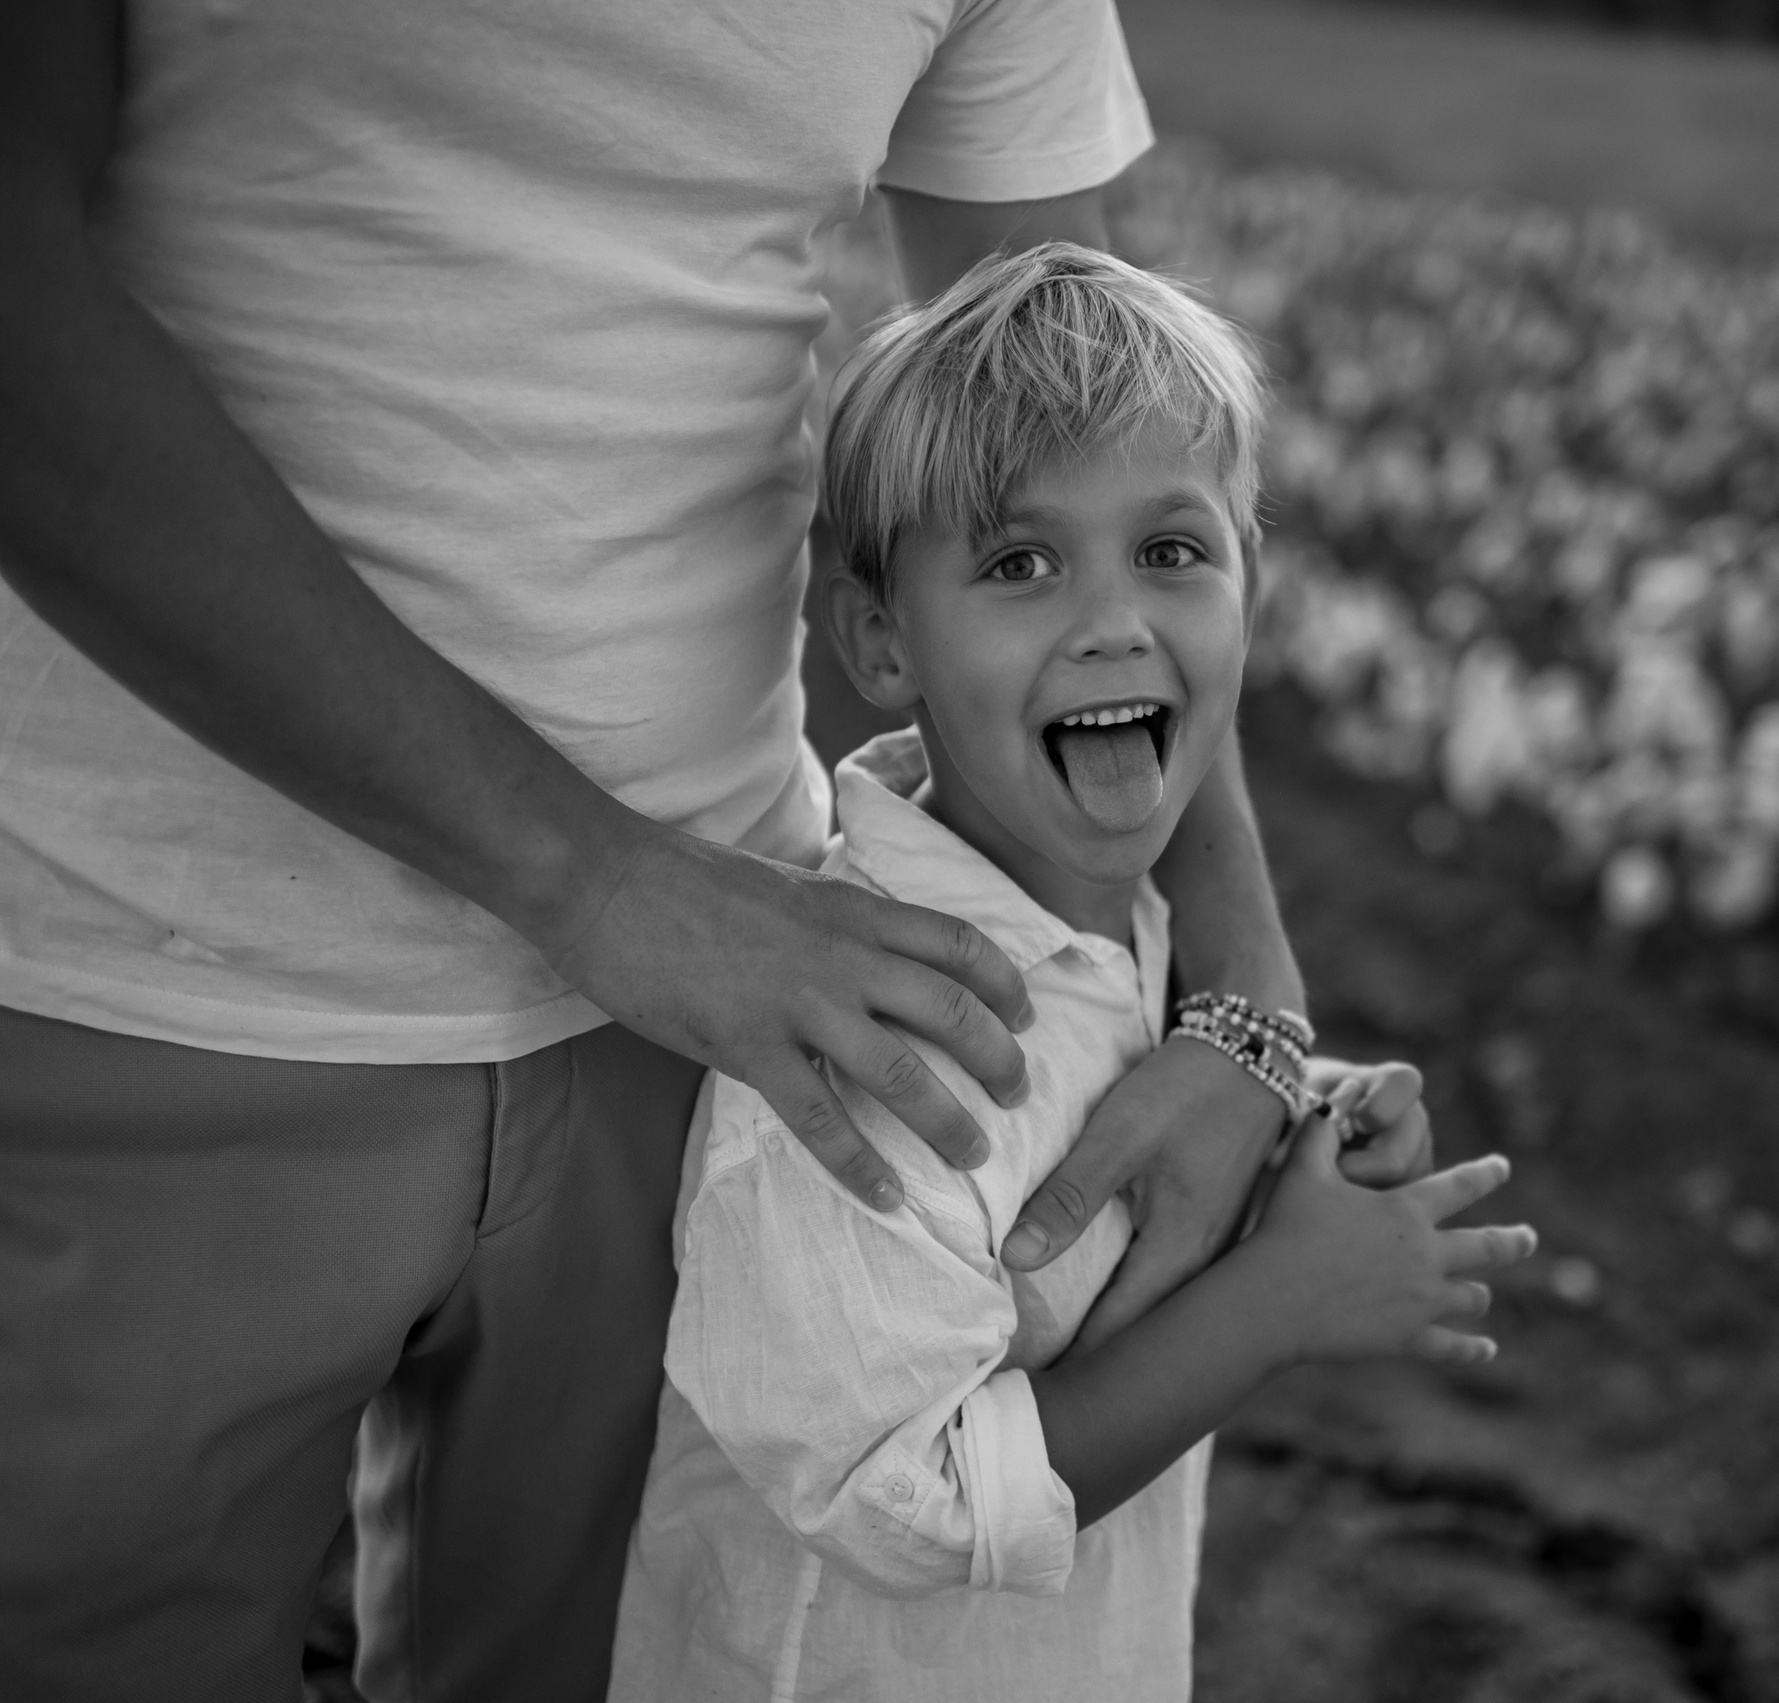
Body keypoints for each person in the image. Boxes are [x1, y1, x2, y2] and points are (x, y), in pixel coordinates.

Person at [0, 7, 1308, 1701]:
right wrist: (596, 883)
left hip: (722, 1021)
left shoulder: (946, 1035)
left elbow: (1069, 393)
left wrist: (1251, 1001)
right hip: (162, 969)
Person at [610, 243, 1535, 1702]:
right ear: (880, 640)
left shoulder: (1119, 918)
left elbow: (1110, 1097)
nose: (1113, 621)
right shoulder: (864, 1039)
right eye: (1020, 563)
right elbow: (913, 1501)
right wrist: (1281, 1302)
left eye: (1172, 552)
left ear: (1250, 589)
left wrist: (1314, 1114)